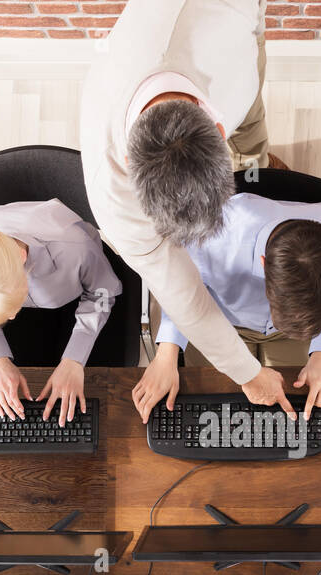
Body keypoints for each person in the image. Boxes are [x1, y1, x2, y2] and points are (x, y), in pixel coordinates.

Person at [79, 0, 298, 420]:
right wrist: (247, 374)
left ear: (219, 131)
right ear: (129, 166)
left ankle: (258, 169)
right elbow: (187, 298)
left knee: (254, 145)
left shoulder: (231, 40)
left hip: (239, 31)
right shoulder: (112, 196)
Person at [132, 193, 321, 422]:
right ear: (264, 264)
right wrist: (166, 356)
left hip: (305, 337)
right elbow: (181, 289)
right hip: (215, 321)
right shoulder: (211, 233)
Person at [0, 190, 122, 425]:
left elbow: (102, 291)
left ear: (23, 257)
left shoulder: (73, 245)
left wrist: (74, 360)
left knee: (97, 389)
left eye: (14, 306)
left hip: (81, 294)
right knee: (31, 389)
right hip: (32, 311)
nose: (12, 316)